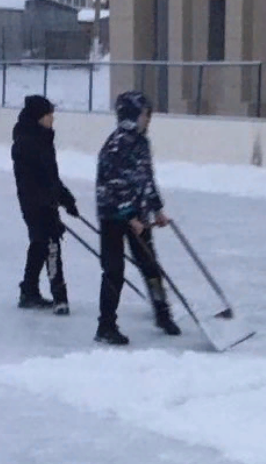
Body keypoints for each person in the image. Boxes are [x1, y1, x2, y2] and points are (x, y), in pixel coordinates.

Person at [94, 91, 181, 345]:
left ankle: (162, 313)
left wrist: (156, 209)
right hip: (113, 217)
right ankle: (106, 325)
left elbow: (146, 178)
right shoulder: (117, 144)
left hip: (138, 217)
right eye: (145, 114)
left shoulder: (141, 142)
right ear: (131, 115)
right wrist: (129, 215)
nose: (148, 119)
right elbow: (111, 185)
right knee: (114, 271)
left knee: (151, 266)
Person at [11, 94, 78, 315]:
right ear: (39, 116)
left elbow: (51, 176)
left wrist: (65, 198)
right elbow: (41, 177)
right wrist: (56, 200)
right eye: (49, 114)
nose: (52, 118)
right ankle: (60, 297)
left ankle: (29, 290)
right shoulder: (29, 141)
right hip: (35, 203)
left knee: (40, 243)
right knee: (51, 244)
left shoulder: (41, 136)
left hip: (43, 201)